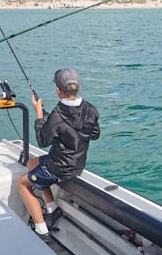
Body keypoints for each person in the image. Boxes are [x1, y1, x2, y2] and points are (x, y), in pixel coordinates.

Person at [17, 68, 100, 243]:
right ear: (78, 87)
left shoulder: (57, 115)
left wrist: (39, 113)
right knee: (32, 163)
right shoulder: (91, 109)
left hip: (58, 168)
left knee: (22, 184)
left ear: (58, 90)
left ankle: (41, 231)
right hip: (77, 164)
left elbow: (42, 140)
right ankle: (52, 208)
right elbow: (94, 134)